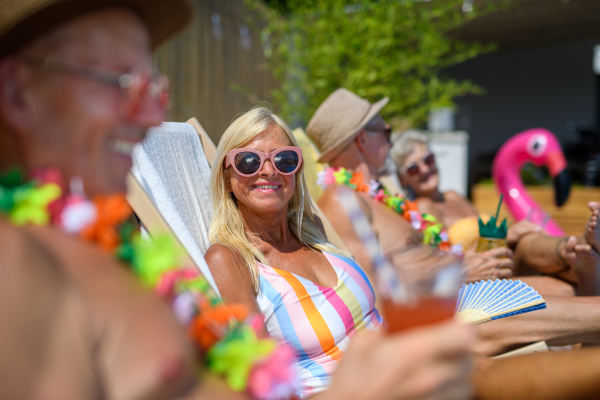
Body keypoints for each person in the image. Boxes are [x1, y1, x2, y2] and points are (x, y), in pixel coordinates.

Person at [306, 88, 600, 356]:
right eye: (386, 130)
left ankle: (577, 253)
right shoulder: (342, 200)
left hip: (465, 292)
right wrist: (459, 270)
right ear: (362, 139)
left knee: (569, 288)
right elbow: (368, 293)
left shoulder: (381, 195)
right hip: (445, 311)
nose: (390, 139)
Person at [205, 106, 472, 399]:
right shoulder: (229, 260)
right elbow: (264, 381)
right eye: (248, 161)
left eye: (284, 159)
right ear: (226, 174)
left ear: (297, 169)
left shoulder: (312, 231)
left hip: (405, 363)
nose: (269, 170)